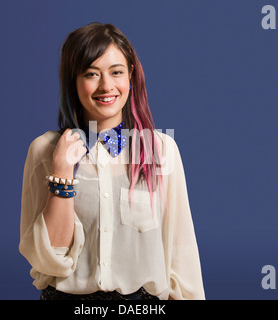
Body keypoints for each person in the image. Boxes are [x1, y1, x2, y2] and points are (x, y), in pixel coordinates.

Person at [19, 22, 205, 300]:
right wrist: (62, 171)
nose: (106, 86)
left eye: (116, 72)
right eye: (91, 74)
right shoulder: (44, 150)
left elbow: (182, 259)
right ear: (73, 80)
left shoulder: (162, 150)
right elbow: (47, 260)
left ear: (130, 74)